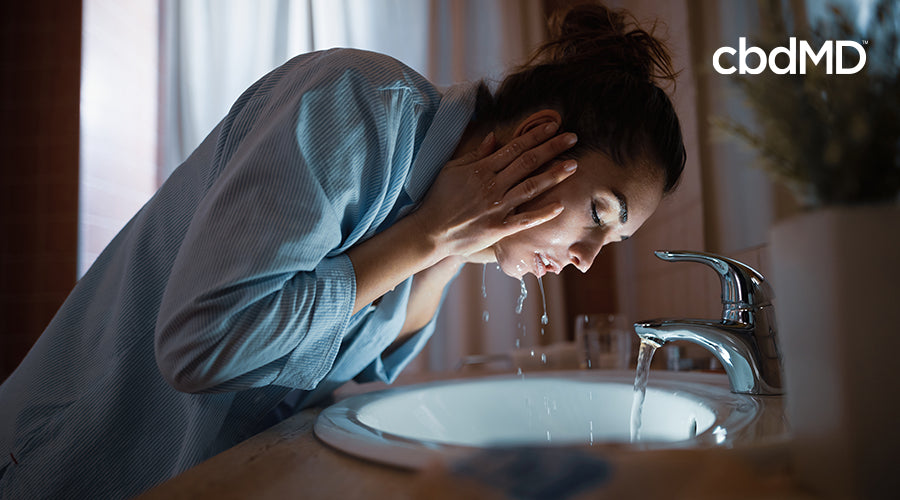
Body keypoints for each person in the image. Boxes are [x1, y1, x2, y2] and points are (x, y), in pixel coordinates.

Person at [0, 2, 685, 497]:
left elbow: (370, 363)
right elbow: (200, 347)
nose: (588, 258)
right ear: (539, 136)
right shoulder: (354, 102)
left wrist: (460, 236)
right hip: (66, 463)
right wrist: (431, 234)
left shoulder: (444, 205)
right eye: (600, 215)